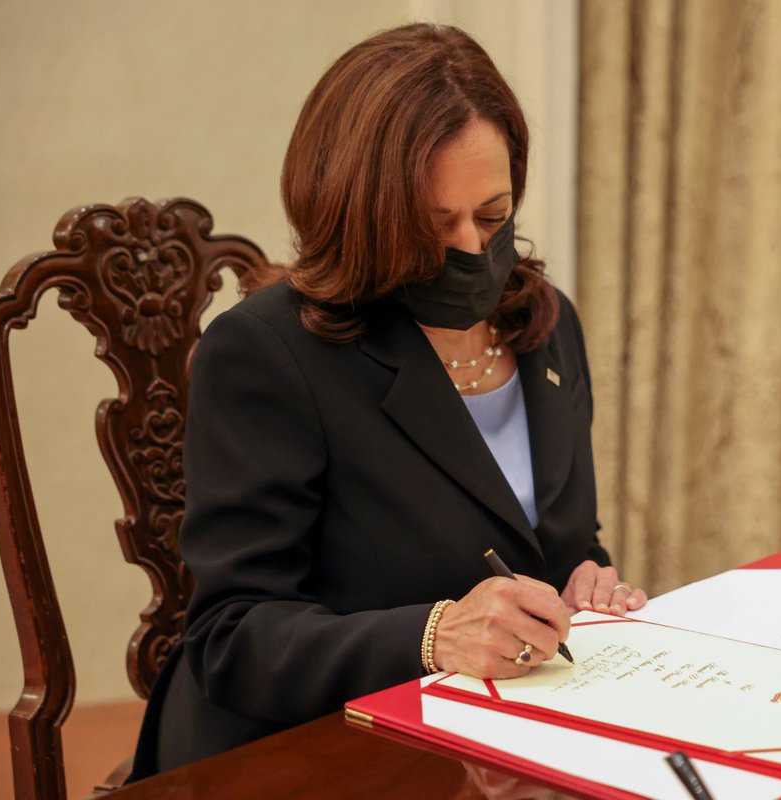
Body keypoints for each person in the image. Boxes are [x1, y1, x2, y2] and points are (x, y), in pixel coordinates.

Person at [131, 22, 646, 778]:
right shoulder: (269, 354)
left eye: (494, 215)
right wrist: (434, 635)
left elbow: (561, 540)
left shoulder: (544, 324)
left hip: (493, 737)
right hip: (310, 750)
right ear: (358, 215)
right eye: (435, 226)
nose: (474, 250)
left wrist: (586, 578)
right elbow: (231, 637)